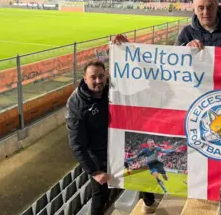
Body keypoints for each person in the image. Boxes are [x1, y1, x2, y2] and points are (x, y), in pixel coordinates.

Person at [66, 60, 157, 215]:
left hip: (123, 147)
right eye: (93, 77)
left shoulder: (113, 89)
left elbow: (145, 81)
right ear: (85, 78)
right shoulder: (76, 103)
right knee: (100, 198)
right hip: (99, 157)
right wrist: (94, 172)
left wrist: (127, 47)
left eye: (101, 76)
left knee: (141, 177)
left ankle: (149, 204)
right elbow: (76, 144)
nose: (98, 81)